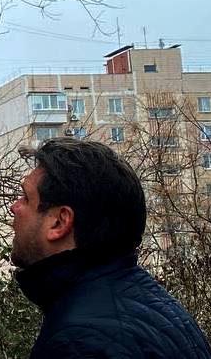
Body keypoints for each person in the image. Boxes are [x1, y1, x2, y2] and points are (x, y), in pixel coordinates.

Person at [11, 138, 211, 358]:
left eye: (26, 198)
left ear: (60, 222)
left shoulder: (78, 342)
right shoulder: (164, 313)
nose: (14, 207)